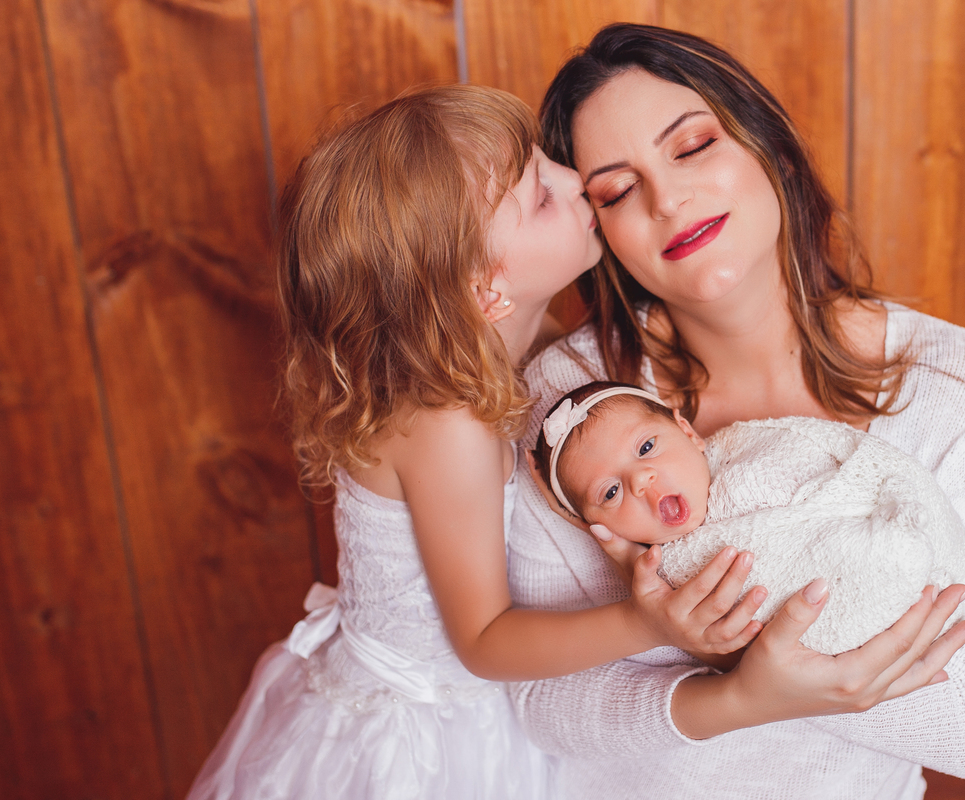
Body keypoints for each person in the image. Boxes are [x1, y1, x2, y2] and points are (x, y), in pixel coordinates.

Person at [186, 85, 768, 800]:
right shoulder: (446, 422)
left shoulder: (512, 351)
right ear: (486, 290)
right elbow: (484, 640)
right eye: (541, 196)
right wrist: (642, 621)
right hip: (426, 739)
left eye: (545, 162)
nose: (571, 177)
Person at [507, 23, 965, 799]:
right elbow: (535, 705)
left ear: (771, 148)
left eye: (691, 146)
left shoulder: (944, 384)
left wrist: (738, 654)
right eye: (618, 189)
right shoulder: (565, 407)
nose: (668, 198)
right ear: (601, 229)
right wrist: (736, 700)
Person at [531, 380, 965, 656]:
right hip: (844, 587)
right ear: (603, 527)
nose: (641, 480)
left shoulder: (748, 452)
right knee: (885, 560)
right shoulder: (672, 576)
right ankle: (889, 561)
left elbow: (835, 460)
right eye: (611, 492)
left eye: (646, 448)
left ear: (688, 432)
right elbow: (732, 640)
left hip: (863, 515)